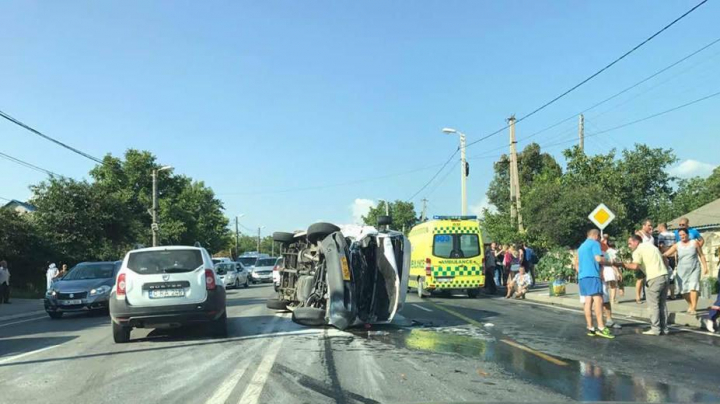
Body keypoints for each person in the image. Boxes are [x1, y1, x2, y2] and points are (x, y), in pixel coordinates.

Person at [618, 235, 670, 336]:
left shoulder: (638, 250)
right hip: (664, 275)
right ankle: (664, 328)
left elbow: (635, 266)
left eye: (630, 243)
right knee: (662, 304)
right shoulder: (652, 246)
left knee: (653, 304)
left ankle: (655, 329)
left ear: (636, 242)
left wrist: (622, 264)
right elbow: (665, 260)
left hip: (654, 278)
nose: (629, 246)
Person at [575, 229, 614, 338]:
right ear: (596, 235)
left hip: (582, 277)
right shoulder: (594, 244)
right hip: (592, 275)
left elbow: (576, 262)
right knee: (598, 300)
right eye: (599, 237)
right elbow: (598, 259)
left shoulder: (581, 247)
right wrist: (609, 262)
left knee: (588, 301)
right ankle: (601, 327)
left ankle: (591, 327)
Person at [662, 228, 709, 314]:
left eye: (683, 234)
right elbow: (667, 254)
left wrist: (705, 267)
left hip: (694, 268)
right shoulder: (677, 245)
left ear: (687, 234)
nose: (682, 236)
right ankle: (690, 304)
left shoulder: (694, 243)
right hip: (681, 270)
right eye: (680, 235)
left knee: (693, 287)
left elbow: (701, 255)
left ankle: (694, 308)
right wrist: (659, 255)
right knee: (683, 290)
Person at [634, 219, 654, 304]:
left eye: (651, 225)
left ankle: (648, 295)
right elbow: (635, 244)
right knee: (640, 278)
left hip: (651, 259)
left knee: (650, 278)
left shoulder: (650, 234)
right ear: (644, 225)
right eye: (649, 225)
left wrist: (651, 233)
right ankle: (637, 297)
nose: (650, 227)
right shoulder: (639, 234)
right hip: (642, 259)